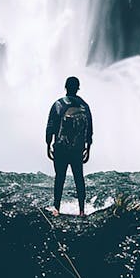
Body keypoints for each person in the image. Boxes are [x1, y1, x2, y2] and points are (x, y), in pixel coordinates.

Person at [45, 75, 93, 217]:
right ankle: (82, 210)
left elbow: (50, 126)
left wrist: (48, 145)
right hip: (77, 149)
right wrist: (88, 149)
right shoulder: (84, 106)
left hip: (60, 147)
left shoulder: (58, 104)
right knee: (79, 178)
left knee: (60, 177)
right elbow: (89, 130)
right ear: (78, 88)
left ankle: (56, 208)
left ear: (65, 87)